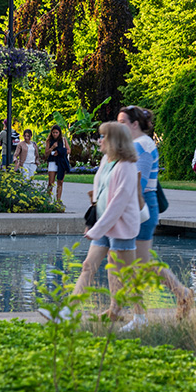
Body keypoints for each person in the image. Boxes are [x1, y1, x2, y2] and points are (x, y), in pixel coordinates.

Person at [117, 105, 193, 330]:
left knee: (130, 264)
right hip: (139, 206)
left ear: (134, 124)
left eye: (122, 122)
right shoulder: (138, 144)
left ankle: (139, 317)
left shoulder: (142, 146)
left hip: (139, 206)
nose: (118, 126)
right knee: (140, 263)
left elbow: (136, 184)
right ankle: (181, 293)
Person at [64, 121, 141, 322]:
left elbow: (119, 203)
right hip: (104, 224)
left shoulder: (127, 167)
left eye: (103, 137)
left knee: (125, 273)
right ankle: (68, 312)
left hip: (121, 227)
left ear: (114, 140)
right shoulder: (107, 160)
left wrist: (97, 228)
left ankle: (140, 319)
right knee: (88, 265)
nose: (99, 141)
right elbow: (101, 189)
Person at [45, 125, 70, 202]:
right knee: (51, 182)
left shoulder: (63, 140)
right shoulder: (49, 141)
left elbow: (68, 150)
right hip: (52, 161)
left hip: (61, 162)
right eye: (53, 132)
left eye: (56, 132)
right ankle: (48, 199)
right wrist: (52, 147)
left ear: (59, 133)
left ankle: (58, 200)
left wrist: (59, 151)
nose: (55, 134)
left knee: (60, 181)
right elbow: (46, 153)